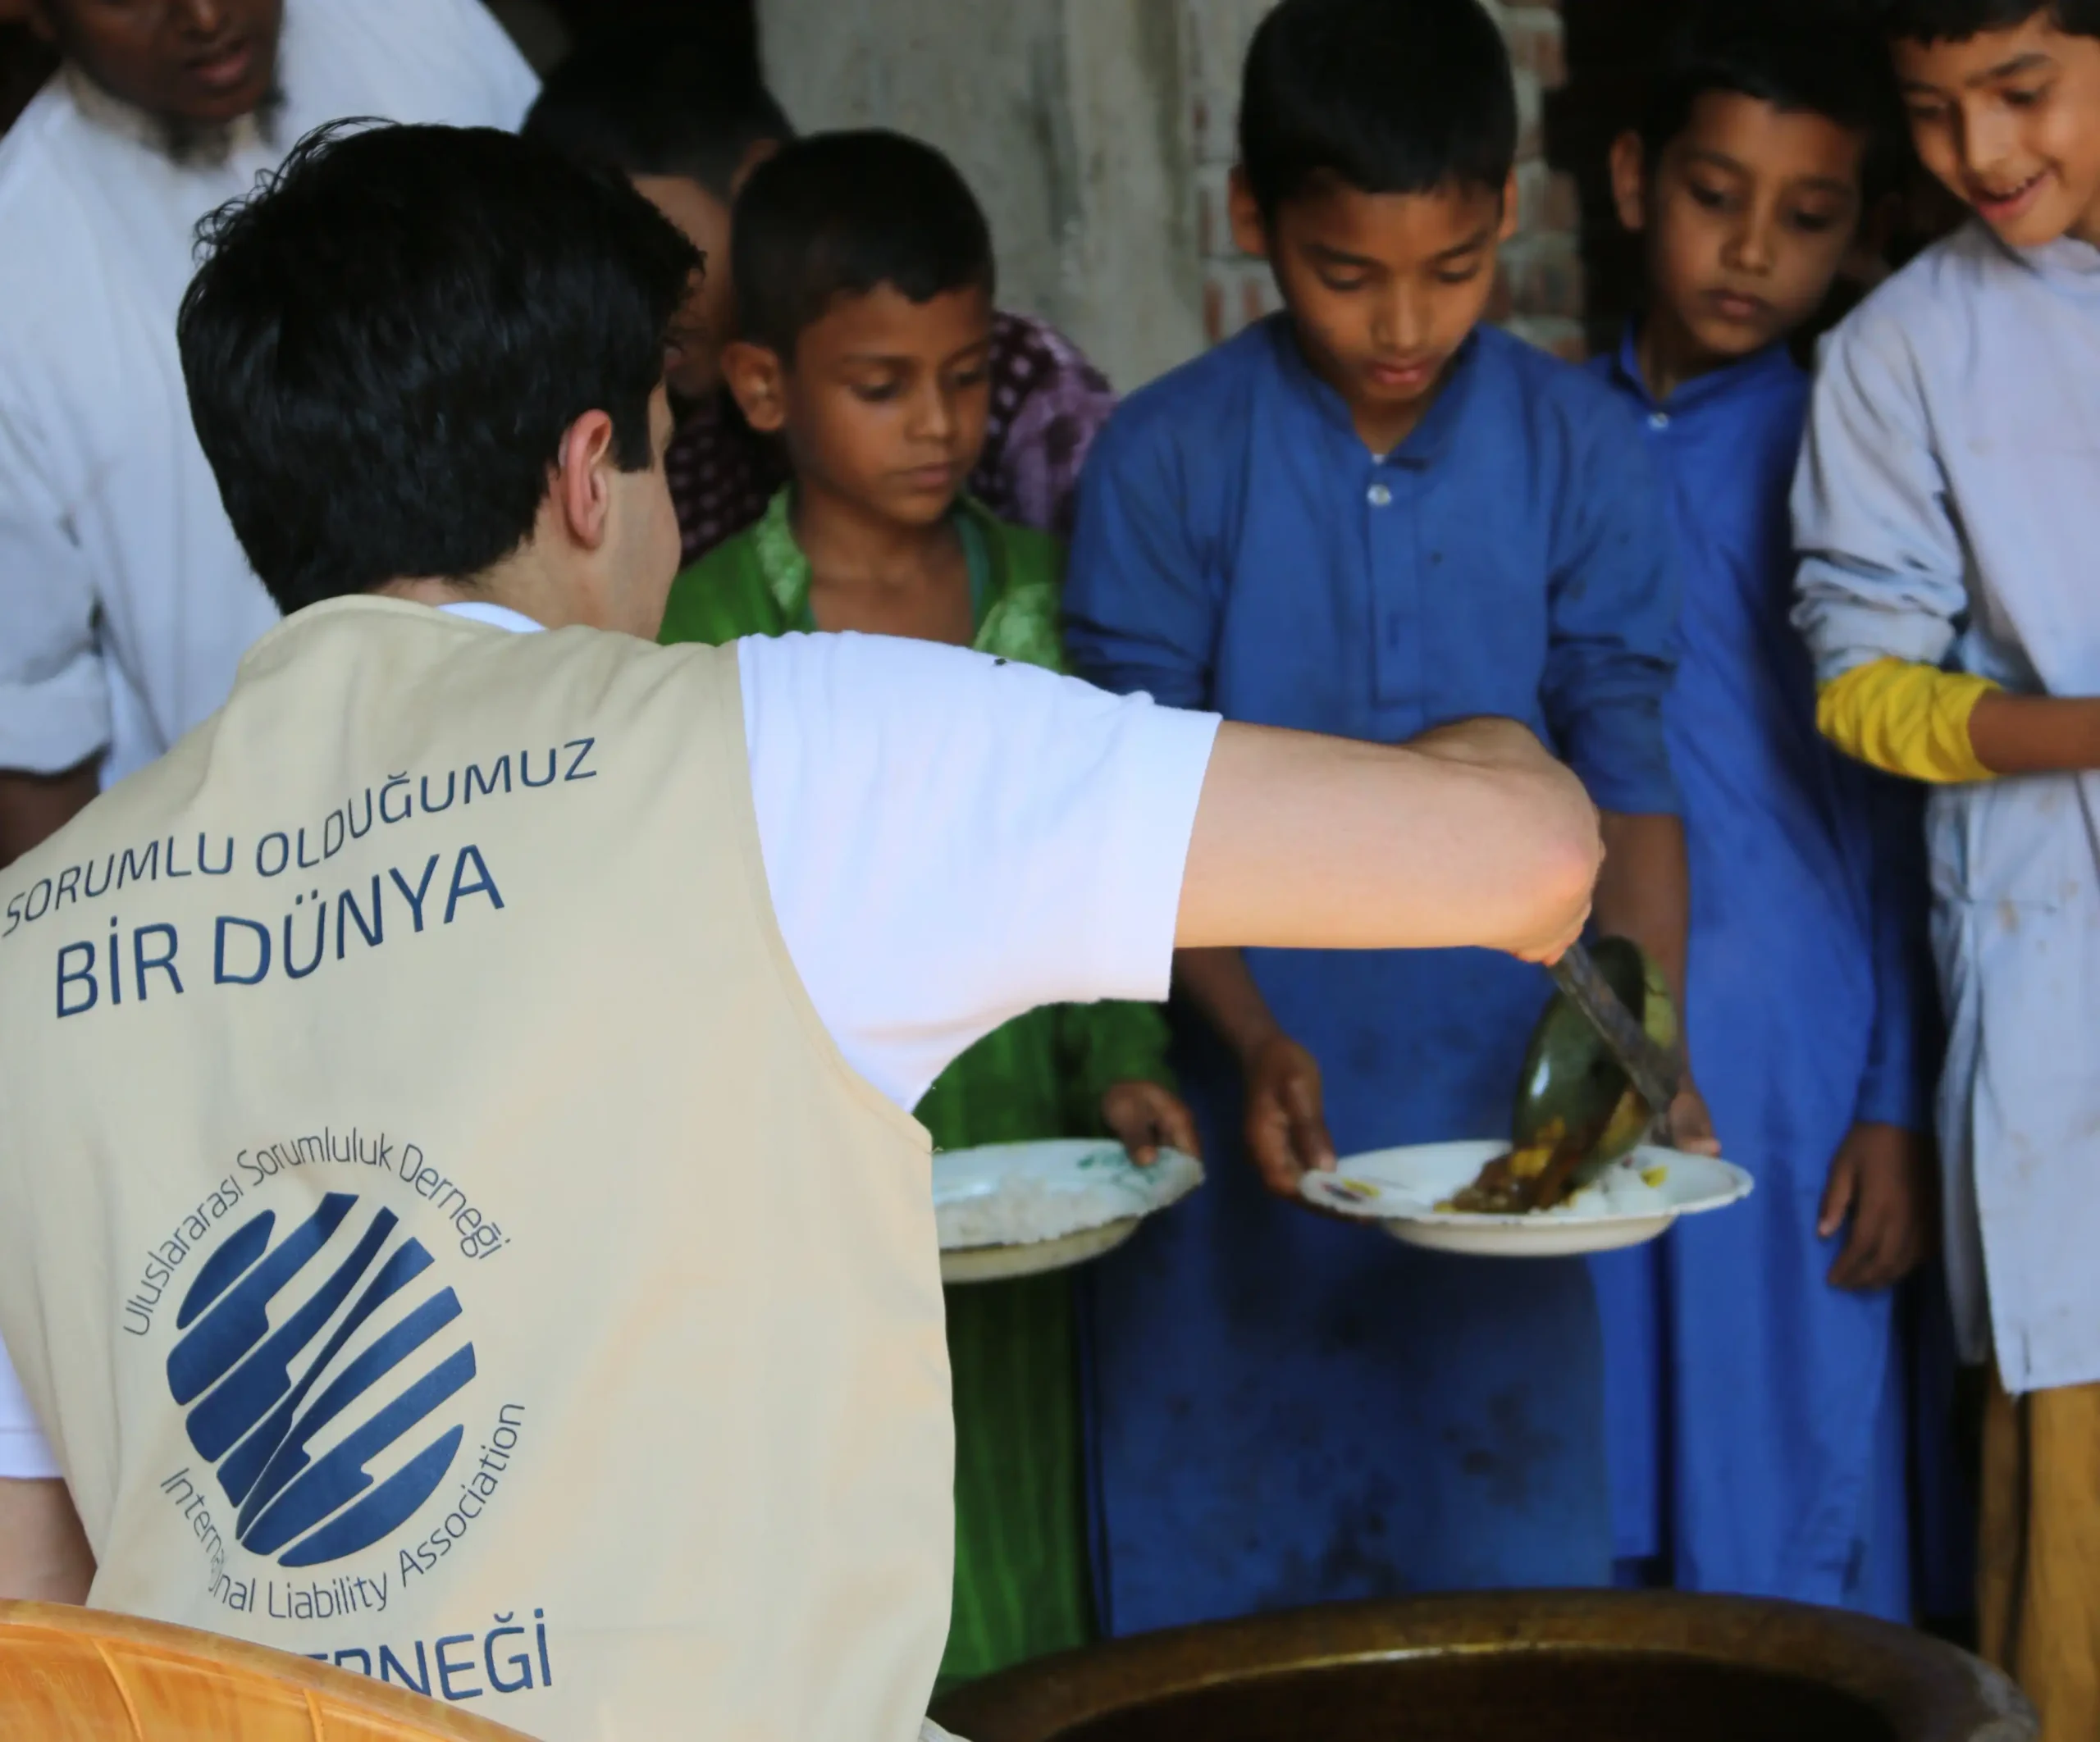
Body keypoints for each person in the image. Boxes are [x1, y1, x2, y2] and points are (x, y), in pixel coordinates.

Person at [0, 122, 1605, 1742]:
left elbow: (35, 1629)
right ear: (587, 474)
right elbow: (1522, 859)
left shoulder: (28, 939)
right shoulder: (785, 753)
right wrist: (1489, 744)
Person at [1062, 0, 1702, 1634]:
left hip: (1497, 1119)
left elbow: (1625, 768)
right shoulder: (1164, 458)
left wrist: (1637, 1035)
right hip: (1249, 1120)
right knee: (1228, 1645)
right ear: (1252, 218)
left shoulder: (1577, 450)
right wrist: (1249, 1034)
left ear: (1508, 215)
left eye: (1455, 268)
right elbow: (1131, 805)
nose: (1402, 322)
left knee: (1505, 1630)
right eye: (1345, 274)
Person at [656, 128, 1196, 1693]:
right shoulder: (713, 627)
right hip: (815, 1177)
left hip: (1033, 1160)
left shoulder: (1046, 590)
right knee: (865, 1556)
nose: (940, 424)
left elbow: (1102, 861)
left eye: (964, 377)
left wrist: (1126, 1061)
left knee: (1034, 1527)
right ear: (763, 388)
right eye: (882, 385)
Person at [1586, 1, 1937, 1618]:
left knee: (1789, 1485)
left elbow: (1904, 813)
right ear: (1630, 181)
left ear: (1859, 234)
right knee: (1597, 1472)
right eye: (1714, 196)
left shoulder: (1851, 451)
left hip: (1802, 1047)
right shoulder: (1539, 434)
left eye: (1804, 218)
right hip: (1592, 1009)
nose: (1749, 252)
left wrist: (1895, 1101)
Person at [1790, 0, 2100, 1727]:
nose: (1977, 152)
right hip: (2063, 1009)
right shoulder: (1904, 350)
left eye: (2019, 91)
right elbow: (1859, 687)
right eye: (1929, 109)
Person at [0, 0, 537, 867]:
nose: (205, 14)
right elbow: (31, 728)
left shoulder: (418, 25)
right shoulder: (18, 270)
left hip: (565, 756)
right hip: (276, 882)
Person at [520, 25, 1116, 565]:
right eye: (881, 386)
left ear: (754, 179)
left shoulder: (1024, 388)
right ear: (759, 388)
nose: (631, 299)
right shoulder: (685, 479)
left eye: (644, 246)